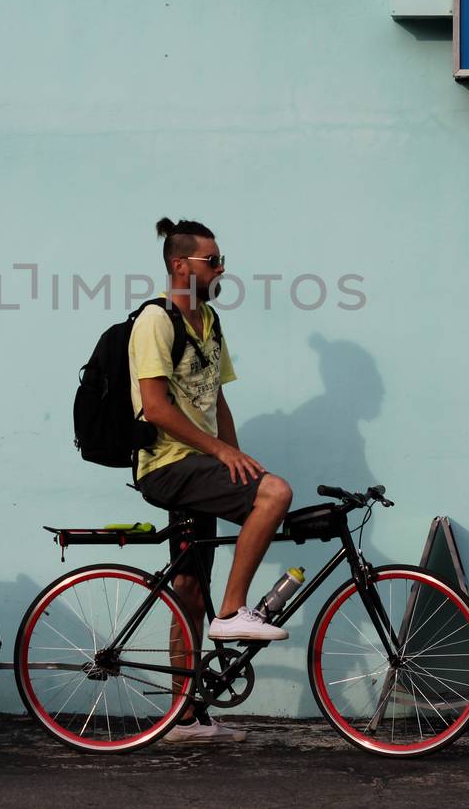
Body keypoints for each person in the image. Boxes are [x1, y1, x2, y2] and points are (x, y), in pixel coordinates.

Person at [130, 217, 294, 743]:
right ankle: (234, 611)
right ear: (181, 265)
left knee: (188, 588)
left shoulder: (210, 320)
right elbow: (155, 407)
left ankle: (184, 716)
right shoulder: (155, 321)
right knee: (278, 493)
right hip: (166, 466)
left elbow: (216, 399)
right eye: (212, 261)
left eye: (222, 260)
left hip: (198, 465)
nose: (222, 268)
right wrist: (223, 454)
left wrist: (236, 461)